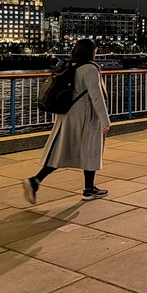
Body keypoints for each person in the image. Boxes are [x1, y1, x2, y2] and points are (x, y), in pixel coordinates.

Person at [23, 39, 111, 204]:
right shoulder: (90, 69)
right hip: (86, 115)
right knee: (91, 149)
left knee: (62, 150)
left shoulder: (71, 66)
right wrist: (104, 120)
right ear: (91, 52)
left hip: (68, 113)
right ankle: (89, 189)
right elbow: (96, 97)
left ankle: (36, 180)